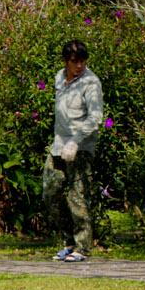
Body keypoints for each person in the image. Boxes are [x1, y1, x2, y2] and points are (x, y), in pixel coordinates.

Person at [42, 38, 103, 262]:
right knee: (51, 192)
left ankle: (82, 247)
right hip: (59, 145)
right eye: (75, 61)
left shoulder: (91, 83)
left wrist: (76, 141)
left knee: (77, 197)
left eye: (83, 61)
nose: (79, 66)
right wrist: (64, 141)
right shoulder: (59, 77)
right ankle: (68, 241)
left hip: (80, 147)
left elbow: (95, 117)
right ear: (66, 61)